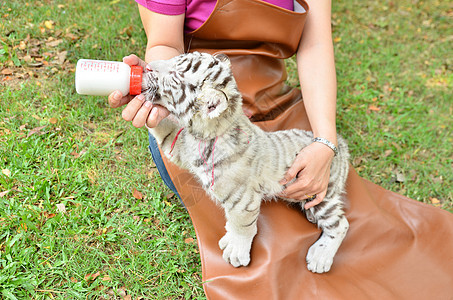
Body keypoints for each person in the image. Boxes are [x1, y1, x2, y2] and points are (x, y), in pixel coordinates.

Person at [108, 0, 453, 298]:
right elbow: (165, 44)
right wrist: (163, 96)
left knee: (366, 236)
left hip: (279, 108)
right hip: (199, 115)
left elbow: (315, 45)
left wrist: (325, 142)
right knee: (265, 256)